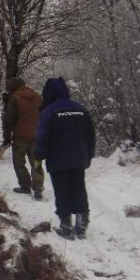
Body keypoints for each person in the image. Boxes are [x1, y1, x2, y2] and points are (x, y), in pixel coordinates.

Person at [36, 77, 95, 240]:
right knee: (79, 189)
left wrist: (38, 156)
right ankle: (82, 225)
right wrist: (89, 155)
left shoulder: (49, 111)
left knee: (62, 191)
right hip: (78, 159)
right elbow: (91, 135)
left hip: (58, 159)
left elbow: (42, 137)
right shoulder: (81, 109)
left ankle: (66, 226)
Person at [2, 77, 44, 200]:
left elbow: (9, 120)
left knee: (19, 163)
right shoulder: (37, 97)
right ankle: (38, 189)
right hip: (37, 136)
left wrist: (7, 137)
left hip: (20, 137)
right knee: (36, 163)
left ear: (13, 87)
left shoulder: (14, 99)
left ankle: (25, 186)